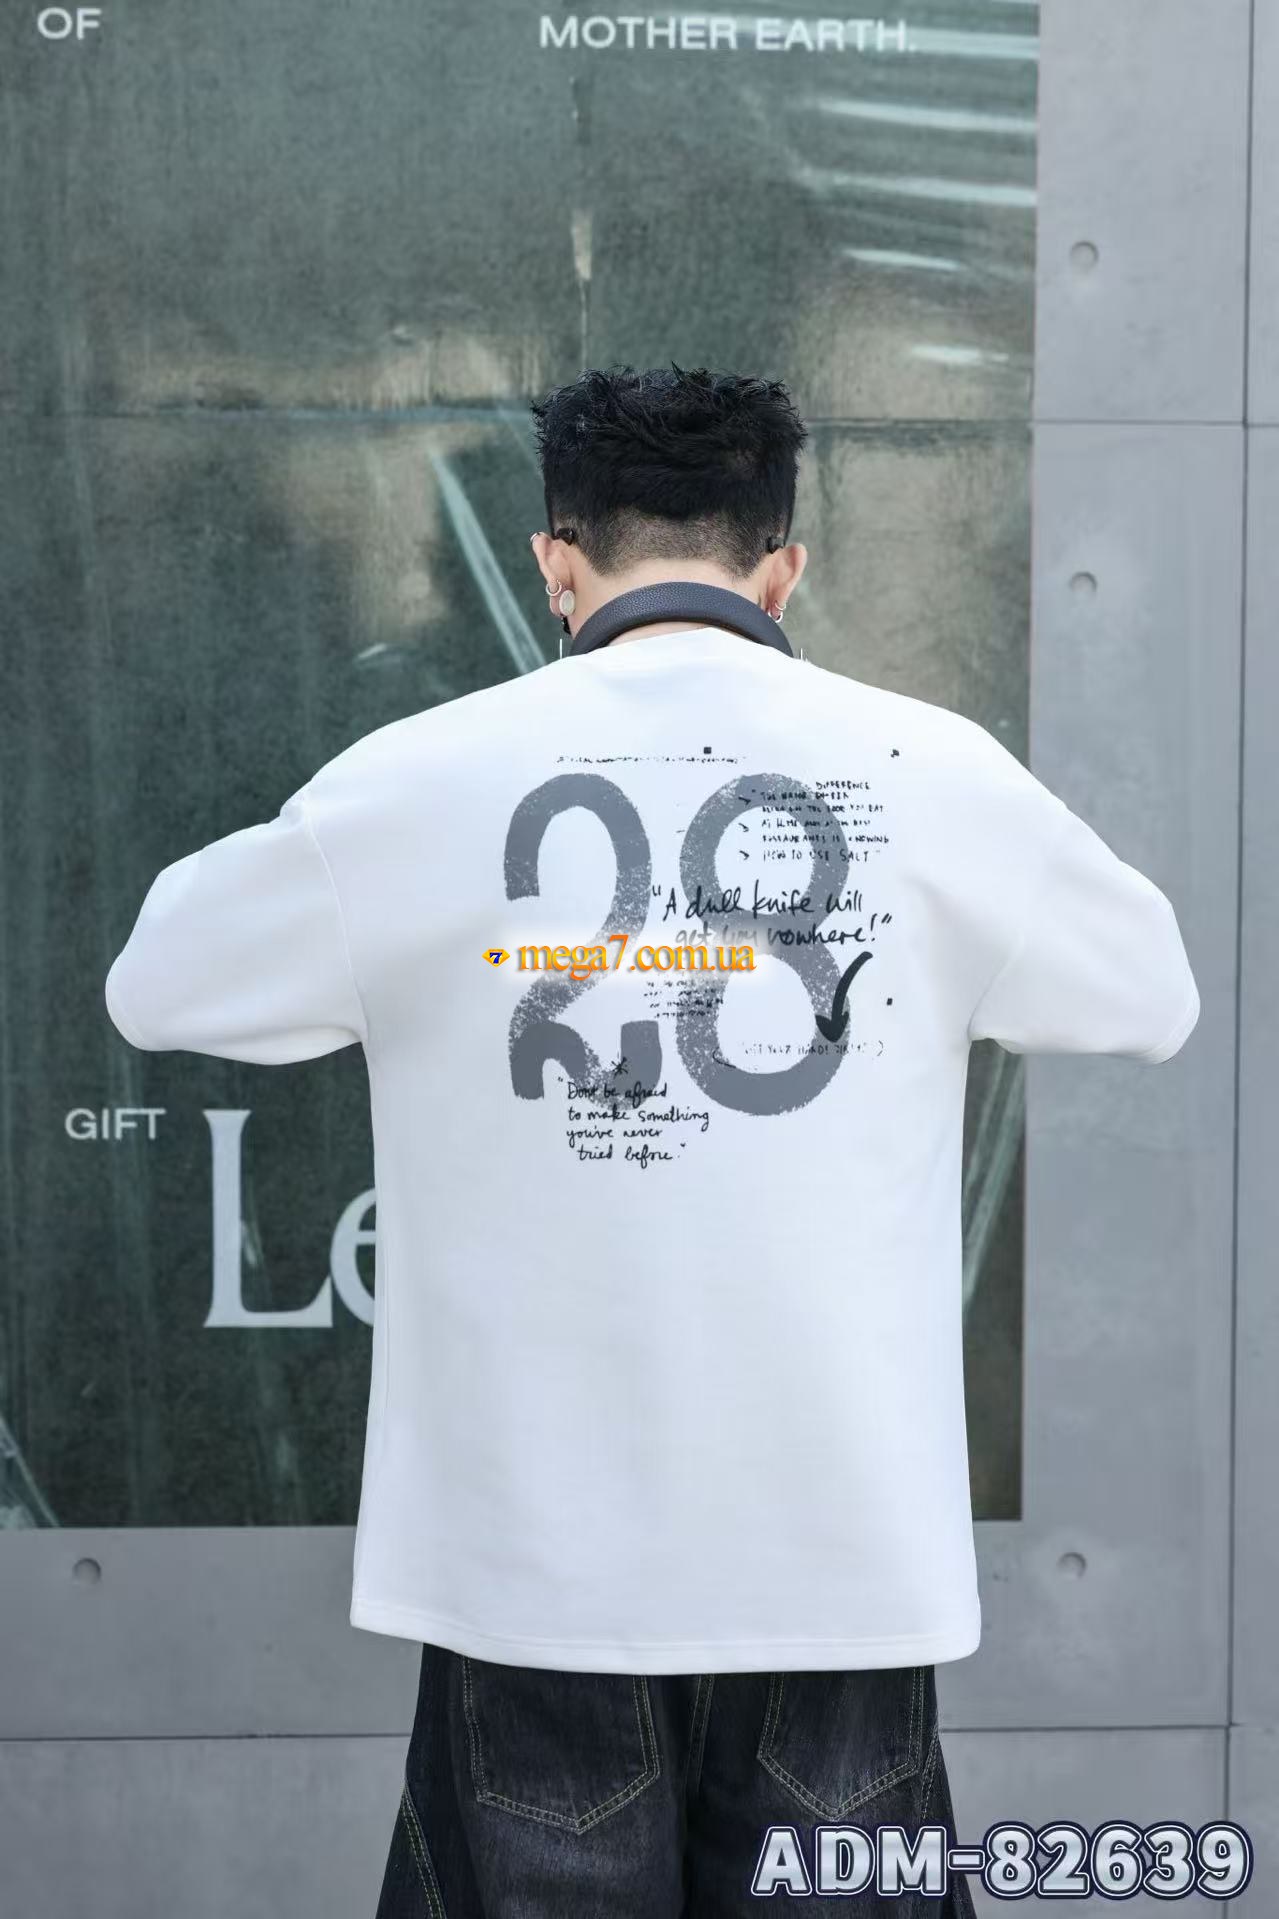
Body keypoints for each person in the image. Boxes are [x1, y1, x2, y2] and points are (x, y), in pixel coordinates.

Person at [104, 363, 1200, 1917]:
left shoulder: (421, 779)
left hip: (533, 1572)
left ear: (557, 561)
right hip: (837, 1562)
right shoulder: (933, 775)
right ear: (783, 568)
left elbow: (158, 979)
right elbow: (1150, 990)